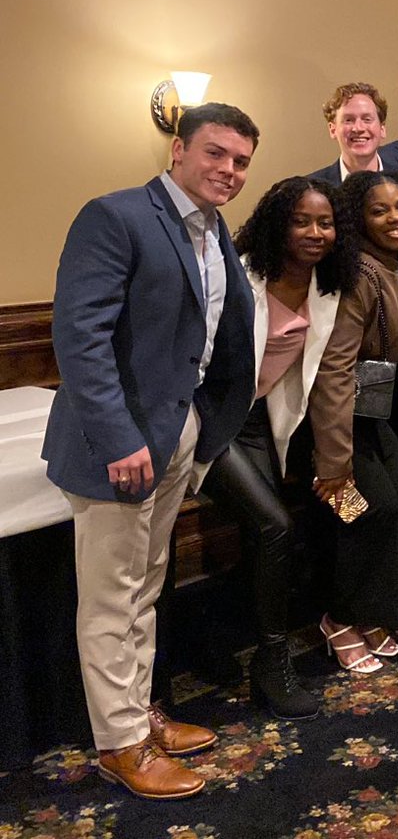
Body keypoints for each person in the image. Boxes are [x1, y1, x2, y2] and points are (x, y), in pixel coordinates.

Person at [43, 103, 259, 799]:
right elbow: (80, 337)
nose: (229, 170)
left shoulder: (215, 229)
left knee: (147, 585)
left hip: (177, 432)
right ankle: (120, 744)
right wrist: (117, 436)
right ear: (178, 150)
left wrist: (202, 426)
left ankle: (138, 713)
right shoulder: (115, 216)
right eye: (216, 154)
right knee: (111, 598)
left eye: (241, 162)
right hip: (120, 444)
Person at [199, 175, 356, 720]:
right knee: (274, 525)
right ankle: (271, 662)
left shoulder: (329, 286)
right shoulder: (239, 276)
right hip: (207, 421)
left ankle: (220, 641)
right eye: (301, 221)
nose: (315, 232)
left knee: (265, 533)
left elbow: (329, 377)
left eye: (325, 222)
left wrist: (335, 462)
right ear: (276, 224)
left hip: (259, 423)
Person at [307, 170, 398, 674]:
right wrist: (333, 463)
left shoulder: (397, 264)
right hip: (333, 421)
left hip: (370, 413)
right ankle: (338, 617)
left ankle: (372, 612)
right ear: (359, 219)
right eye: (380, 210)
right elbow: (333, 369)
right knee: (364, 508)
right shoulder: (357, 272)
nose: (396, 217)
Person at [309, 82, 389, 185]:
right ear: (333, 130)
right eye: (348, 120)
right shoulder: (313, 190)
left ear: (382, 128)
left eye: (367, 119)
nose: (358, 128)